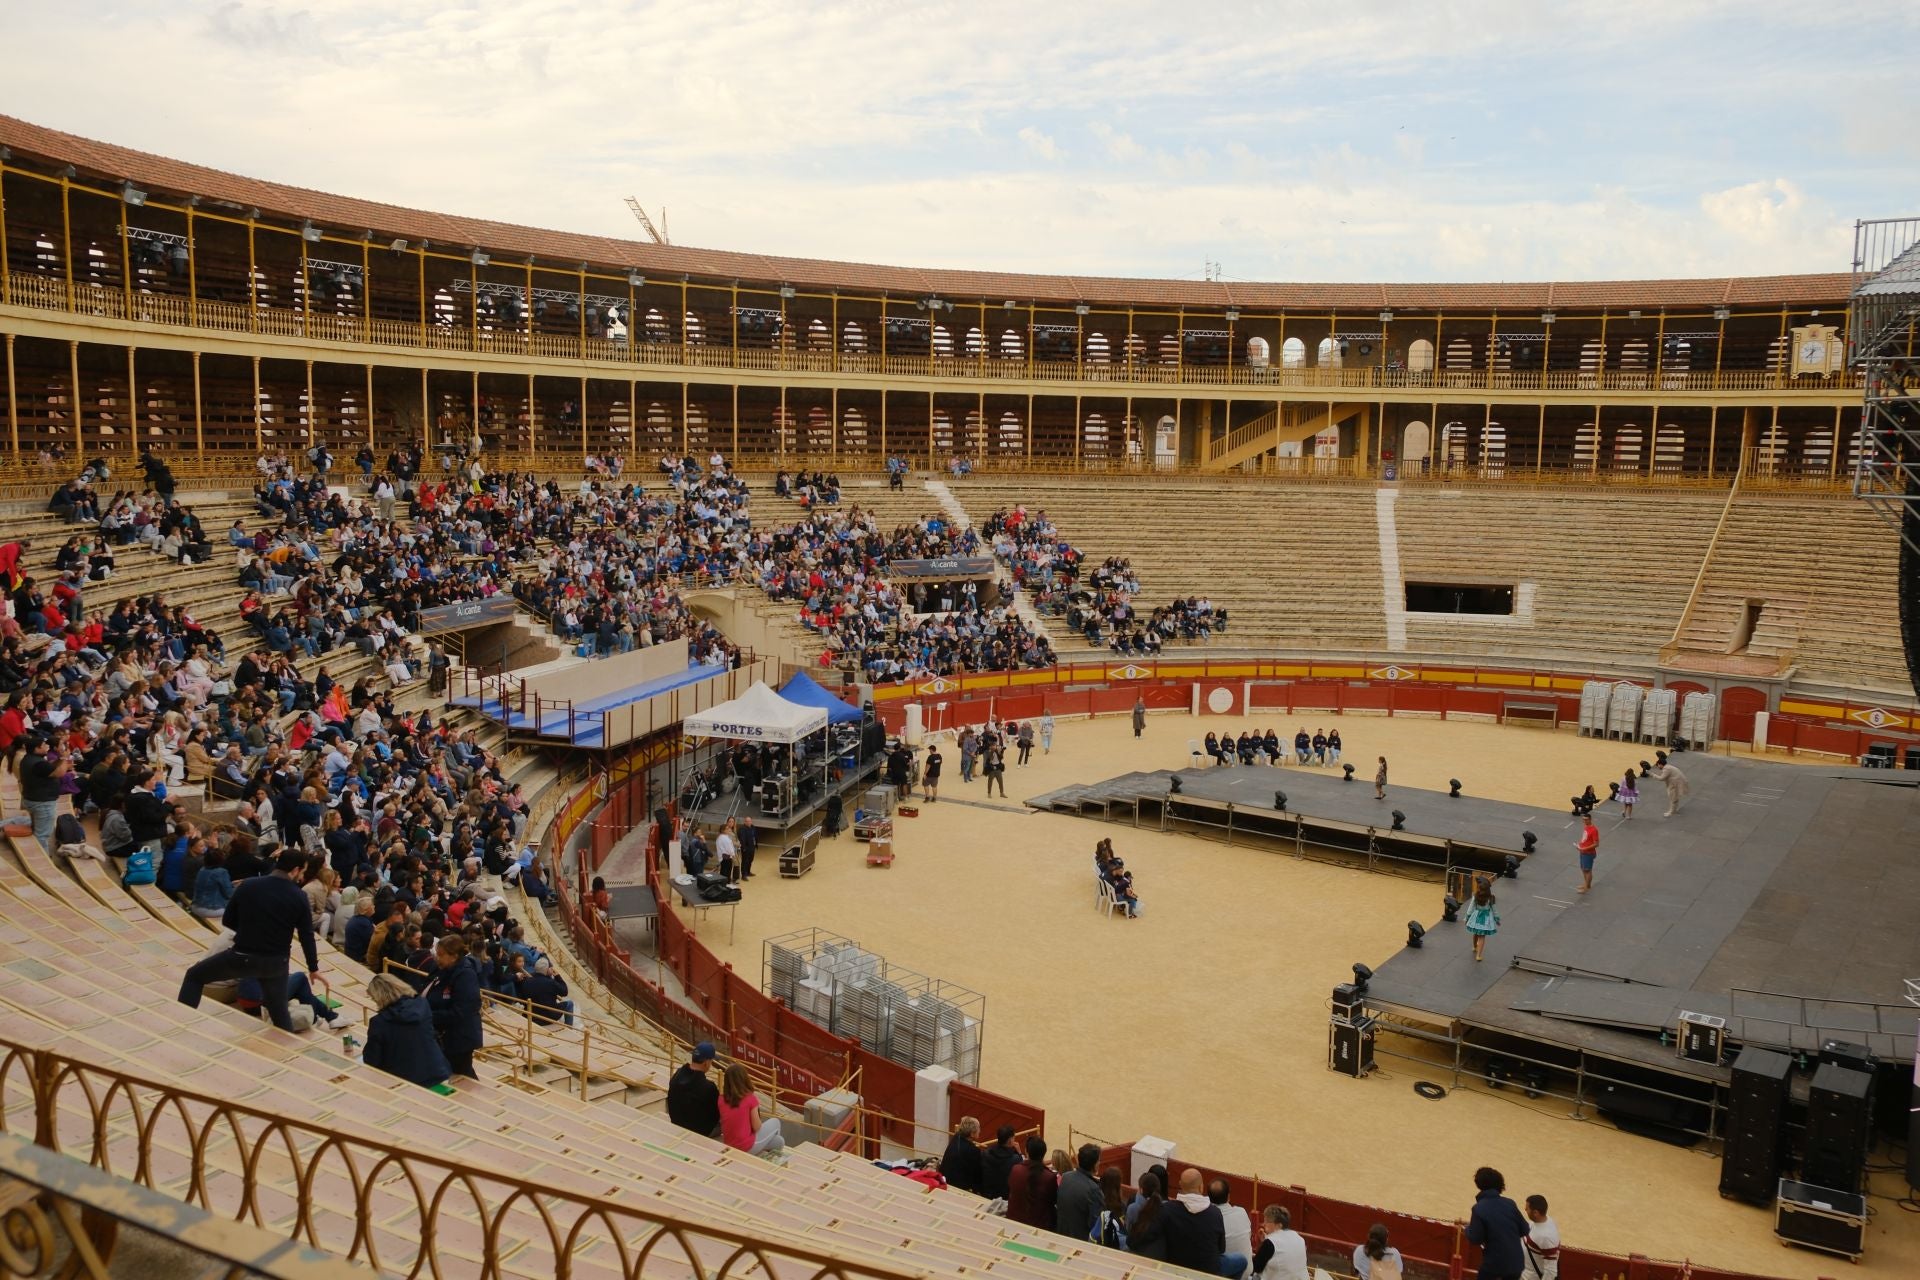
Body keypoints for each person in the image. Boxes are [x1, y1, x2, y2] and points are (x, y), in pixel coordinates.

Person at [176, 847, 319, 1033]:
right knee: (279, 1012)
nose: (302, 876)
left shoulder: (249, 885)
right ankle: (288, 1047)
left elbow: (228, 920)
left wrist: (250, 931)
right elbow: (307, 935)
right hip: (276, 963)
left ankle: (181, 1028)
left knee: (194, 976)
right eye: (303, 871)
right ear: (295, 870)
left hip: (243, 956)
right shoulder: (299, 896)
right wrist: (313, 968)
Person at [361, 972, 453, 1089]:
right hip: (439, 1071)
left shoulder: (379, 1022)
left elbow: (372, 1060)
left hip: (409, 1083)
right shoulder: (422, 1004)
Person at [423, 935, 483, 1079]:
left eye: (441, 955)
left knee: (462, 1074)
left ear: (454, 956)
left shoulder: (465, 975)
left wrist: (429, 1016)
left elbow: (462, 1011)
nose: (437, 958)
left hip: (459, 1038)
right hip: (441, 1033)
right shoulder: (440, 968)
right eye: (437, 953)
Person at [1464, 1167, 1530, 1280]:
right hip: (1516, 1264)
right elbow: (1525, 1229)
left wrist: (1467, 1229)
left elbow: (1475, 1238)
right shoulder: (1510, 1204)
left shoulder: (1478, 1208)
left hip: (1494, 1265)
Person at [1162, 1168, 1227, 1276]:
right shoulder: (1215, 1213)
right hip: (1207, 1272)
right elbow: (1222, 1249)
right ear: (1201, 1187)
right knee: (1240, 1260)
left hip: (1176, 1269)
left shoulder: (1167, 1209)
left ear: (1180, 1185)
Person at [716, 1063, 785, 1156]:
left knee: (779, 1141)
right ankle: (772, 1158)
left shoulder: (720, 1099)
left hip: (729, 1144)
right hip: (745, 1147)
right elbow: (757, 1127)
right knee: (776, 1122)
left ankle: (765, 1150)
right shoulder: (750, 1098)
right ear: (744, 1079)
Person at [667, 1041, 721, 1137]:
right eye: (711, 1061)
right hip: (700, 1131)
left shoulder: (677, 1075)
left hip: (677, 1124)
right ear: (706, 1063)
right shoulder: (709, 1087)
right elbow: (717, 1115)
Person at [1003, 1135, 1057, 1229]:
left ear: (1026, 1152)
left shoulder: (1016, 1169)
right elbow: (1053, 1202)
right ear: (1044, 1153)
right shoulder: (1049, 1177)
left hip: (1013, 1220)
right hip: (1038, 1225)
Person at [1056, 1143, 1104, 1243]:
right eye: (1098, 1160)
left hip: (1061, 1235)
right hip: (1080, 1242)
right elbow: (1096, 1226)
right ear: (1094, 1164)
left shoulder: (1066, 1177)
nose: (1099, 1163)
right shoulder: (1094, 1189)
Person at [1209, 1179, 1253, 1278]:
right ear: (1228, 1196)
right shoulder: (1241, 1212)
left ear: (1209, 1198)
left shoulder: (1209, 1219)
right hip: (1246, 1273)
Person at [1252, 1204, 1308, 1280]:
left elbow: (1256, 1267)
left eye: (1267, 1221)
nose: (1264, 1224)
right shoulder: (1300, 1239)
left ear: (1279, 1225)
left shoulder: (1270, 1242)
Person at [1126, 1169, 1167, 1260]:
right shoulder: (1166, 1208)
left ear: (1141, 1190)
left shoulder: (1133, 1208)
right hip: (1157, 1255)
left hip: (1136, 1252)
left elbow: (1127, 1230)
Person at [939, 1116, 984, 1194]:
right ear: (972, 1134)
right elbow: (977, 1176)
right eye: (979, 1128)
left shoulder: (956, 1138)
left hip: (944, 1180)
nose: (980, 1131)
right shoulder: (973, 1151)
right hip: (958, 1188)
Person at [1520, 1195, 1559, 1280]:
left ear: (1535, 1213)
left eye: (1527, 1208)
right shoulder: (1546, 1220)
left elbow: (1551, 1270)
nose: (1525, 1209)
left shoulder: (1546, 1237)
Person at [980, 1124, 1021, 1201]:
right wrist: (1019, 1153)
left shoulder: (985, 1153)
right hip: (1004, 1198)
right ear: (1010, 1140)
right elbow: (1021, 1169)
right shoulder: (1015, 1159)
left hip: (987, 1194)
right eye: (1014, 1137)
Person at [1465, 875, 1500, 962]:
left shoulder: (1475, 896)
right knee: (1482, 936)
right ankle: (1479, 955)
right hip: (1485, 919)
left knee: (1475, 933)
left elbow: (1470, 908)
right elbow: (1494, 909)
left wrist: (1467, 917)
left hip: (1476, 917)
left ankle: (1474, 947)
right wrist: (1497, 919)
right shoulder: (1491, 898)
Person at [1575, 814, 1600, 894]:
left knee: (1587, 870)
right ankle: (1587, 884)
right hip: (1583, 851)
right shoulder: (1586, 827)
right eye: (1583, 819)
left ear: (1590, 819)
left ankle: (1586, 887)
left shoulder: (1594, 830)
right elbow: (1585, 839)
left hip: (1588, 853)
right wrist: (1580, 844)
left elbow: (1596, 844)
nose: (1584, 821)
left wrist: (1584, 848)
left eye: (1586, 819)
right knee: (1584, 869)